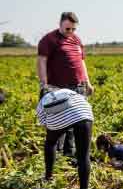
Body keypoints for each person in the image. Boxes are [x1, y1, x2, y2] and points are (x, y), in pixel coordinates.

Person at [37, 12, 95, 156]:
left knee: (77, 121)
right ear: (60, 24)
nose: (70, 32)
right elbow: (41, 61)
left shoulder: (76, 40)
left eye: (73, 29)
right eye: (67, 29)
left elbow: (81, 62)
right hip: (58, 88)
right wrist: (44, 84)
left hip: (78, 87)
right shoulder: (49, 40)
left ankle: (71, 155)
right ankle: (57, 154)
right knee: (59, 123)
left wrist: (88, 82)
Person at [36, 88, 94, 189]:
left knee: (50, 143)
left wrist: (59, 129)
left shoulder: (42, 102)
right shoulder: (66, 91)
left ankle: (48, 176)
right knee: (83, 156)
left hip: (62, 119)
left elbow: (45, 125)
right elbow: (83, 101)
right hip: (84, 113)